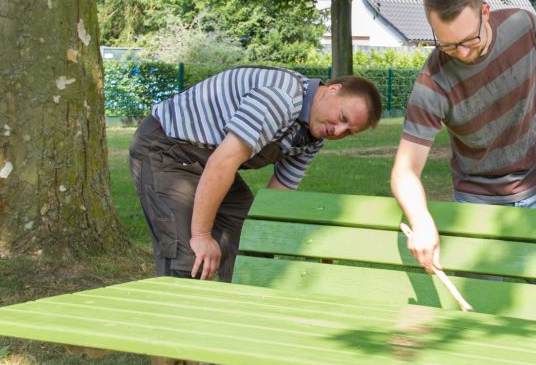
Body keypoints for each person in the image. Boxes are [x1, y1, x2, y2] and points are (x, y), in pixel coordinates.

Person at [391, 0, 536, 272]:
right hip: (477, 199)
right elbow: (405, 172)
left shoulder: (524, 27)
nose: (463, 53)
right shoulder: (433, 83)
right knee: (483, 300)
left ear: (485, 11)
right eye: (448, 45)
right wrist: (421, 222)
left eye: (470, 39)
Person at [130, 67, 382, 282]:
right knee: (189, 256)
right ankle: (178, 332)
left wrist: (303, 247)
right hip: (166, 149)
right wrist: (202, 235)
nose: (338, 131)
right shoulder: (281, 99)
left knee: (252, 245)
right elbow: (222, 163)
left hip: (212, 160)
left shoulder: (313, 137)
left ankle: (242, 325)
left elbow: (278, 197)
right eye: (342, 118)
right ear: (332, 90)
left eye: (348, 131)